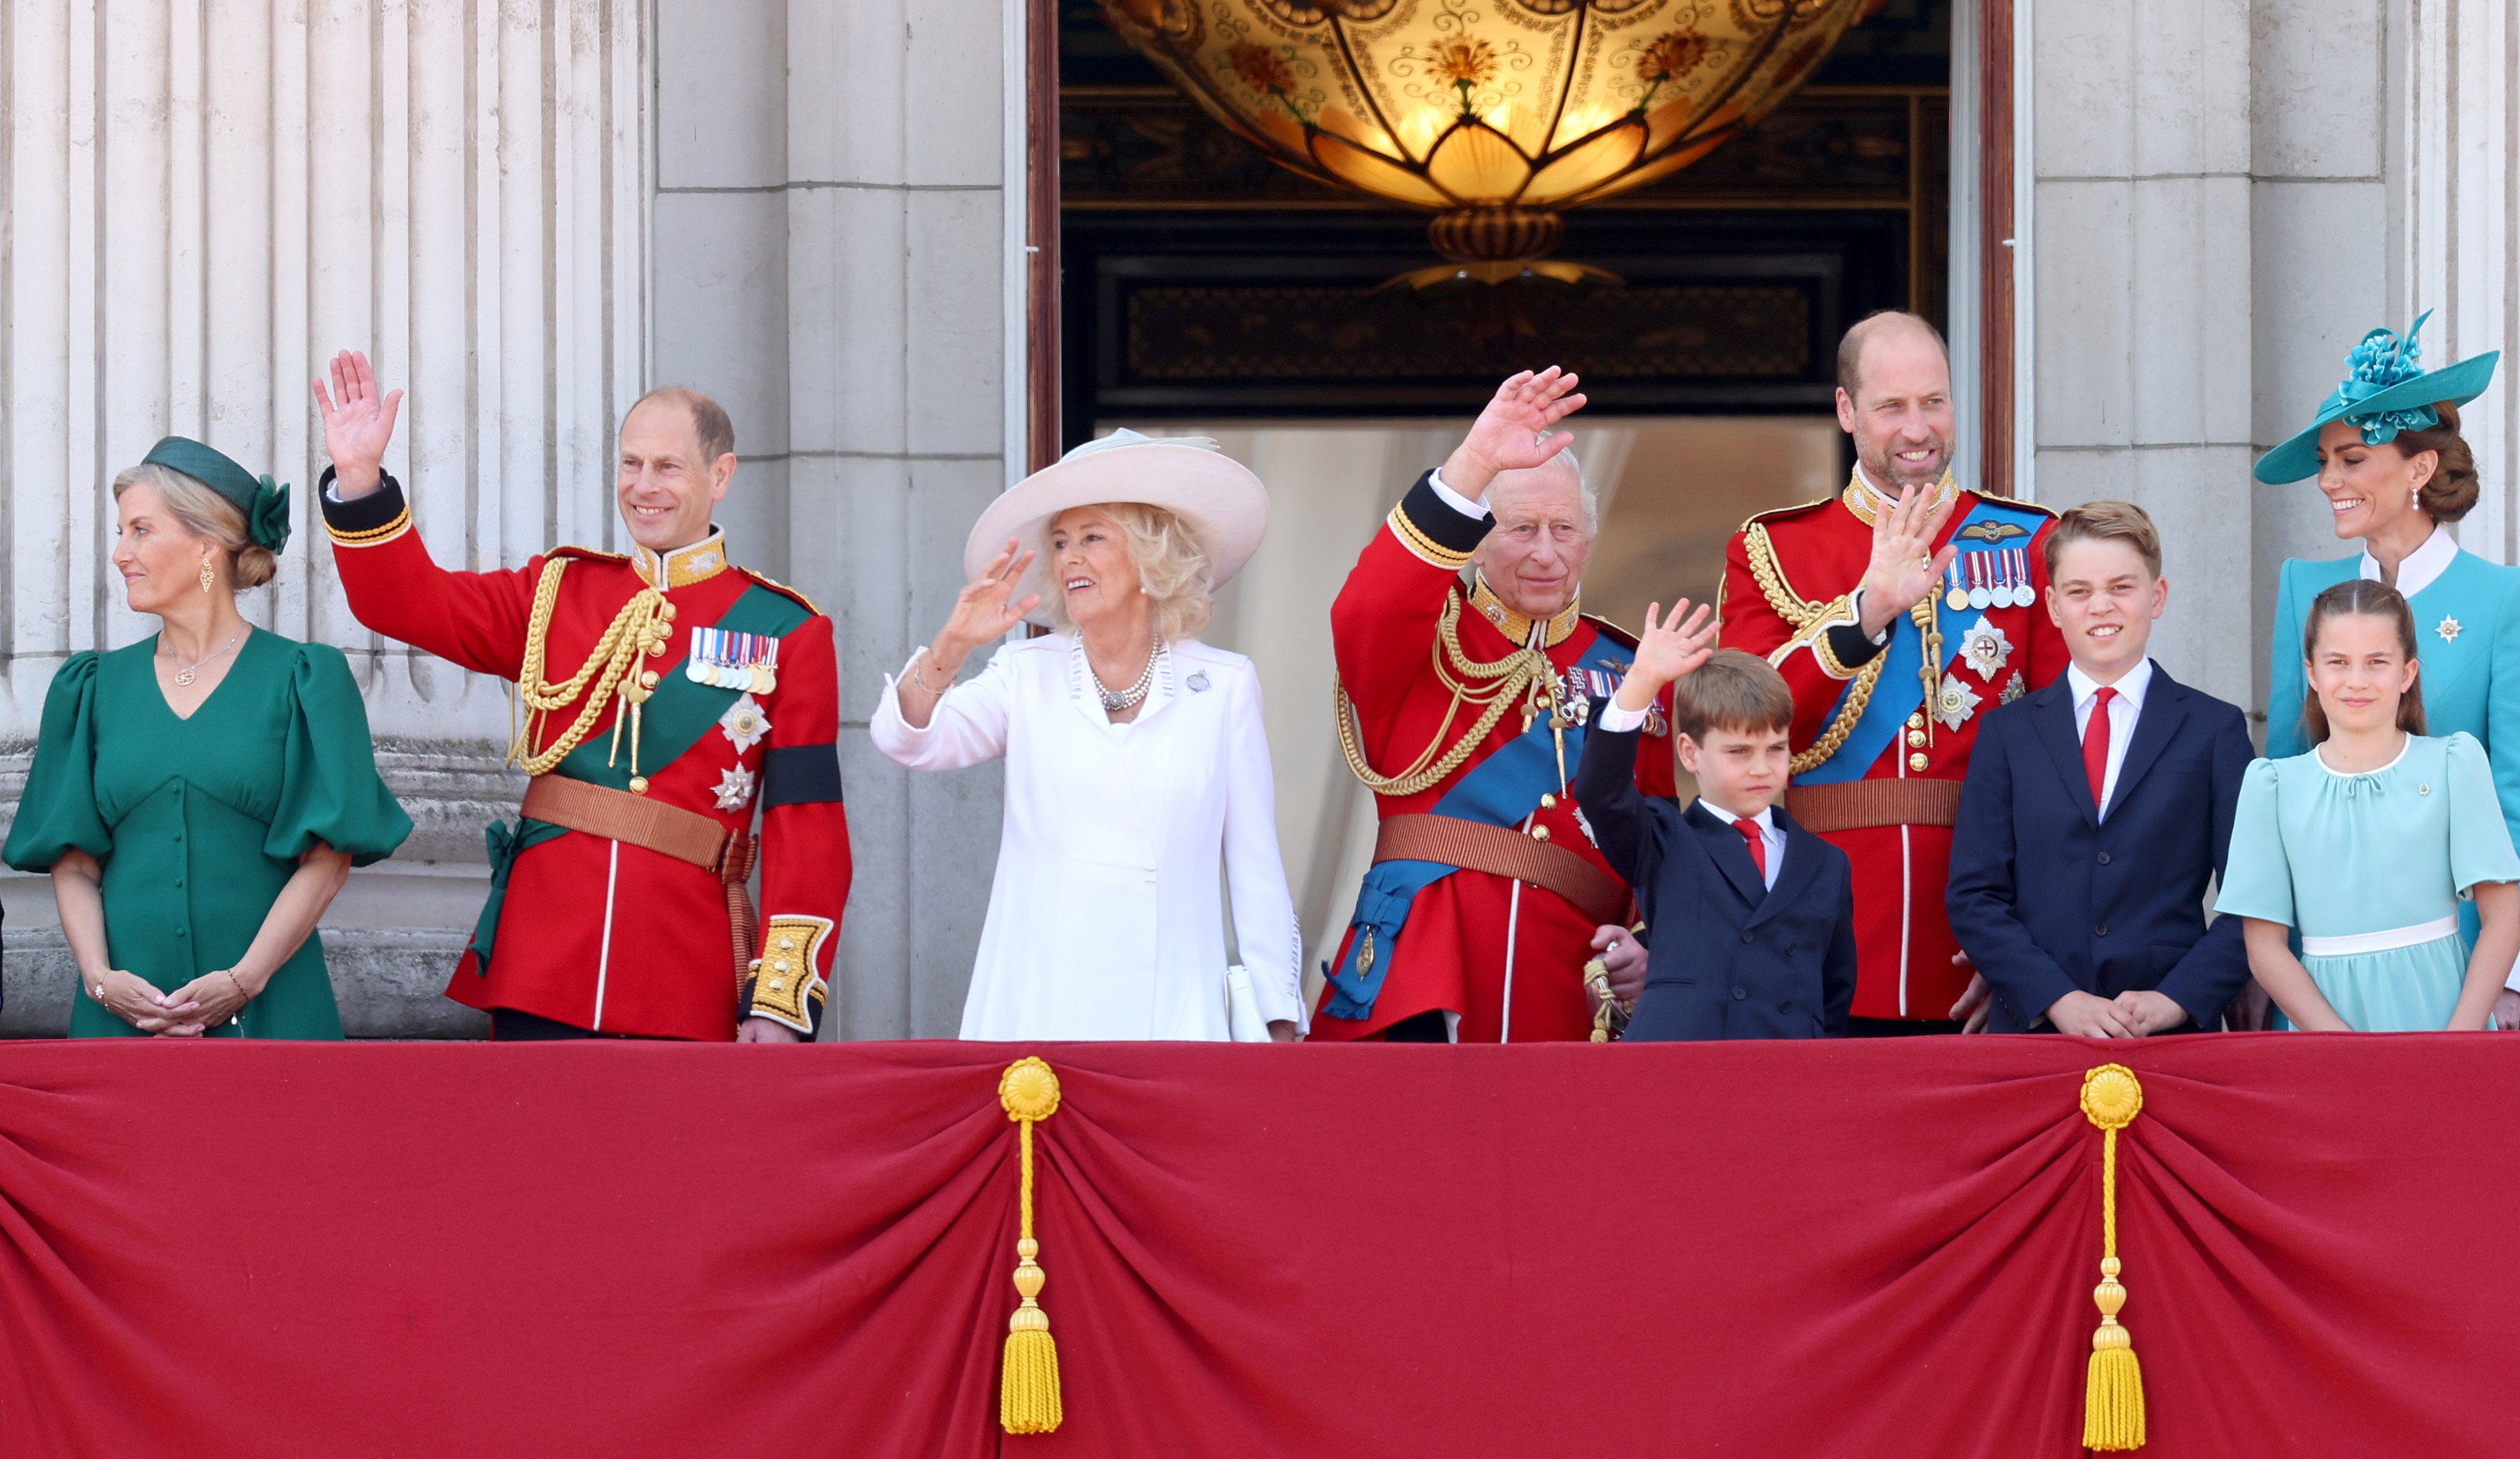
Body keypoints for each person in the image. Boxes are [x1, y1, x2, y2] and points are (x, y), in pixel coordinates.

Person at [309, 353, 851, 1042]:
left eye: (667, 467)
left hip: (685, 974)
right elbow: (406, 603)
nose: (642, 486)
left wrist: (778, 1002)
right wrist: (360, 480)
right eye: (630, 465)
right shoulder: (555, 594)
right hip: (544, 960)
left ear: (720, 476)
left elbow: (809, 830)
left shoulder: (786, 631)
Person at [868, 431, 1304, 1042]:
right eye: (1061, 542)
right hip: (1040, 1003)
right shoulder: (1026, 674)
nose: (1070, 556)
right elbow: (910, 741)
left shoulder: (1223, 685)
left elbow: (1255, 866)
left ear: (1151, 556)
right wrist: (952, 647)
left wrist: (1277, 1012)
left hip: (1173, 1014)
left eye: (1093, 537)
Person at [1716, 310, 2065, 1034]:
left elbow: (2064, 753)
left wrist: (2025, 939)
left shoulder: (2032, 542)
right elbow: (1743, 725)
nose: (1917, 428)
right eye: (1891, 407)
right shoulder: (1775, 549)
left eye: (1933, 402)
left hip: (1977, 932)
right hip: (1820, 929)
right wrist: (1867, 613)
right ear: (1846, 411)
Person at [1311, 368, 1679, 1044]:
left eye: (1563, 529)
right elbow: (1367, 606)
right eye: (1520, 529)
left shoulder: (1632, 673)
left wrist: (1644, 945)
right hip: (1422, 979)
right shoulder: (1423, 638)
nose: (1545, 554)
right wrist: (1473, 466)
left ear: (1588, 541)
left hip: (1565, 991)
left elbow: (1651, 844)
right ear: (1475, 540)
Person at [5, 439, 413, 1038]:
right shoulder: (90, 687)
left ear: (206, 542)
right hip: (121, 1018)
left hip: (268, 1009)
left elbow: (327, 859)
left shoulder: (305, 680)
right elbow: (74, 862)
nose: (121, 553)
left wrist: (245, 980)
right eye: (122, 532)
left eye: (141, 530)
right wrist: (100, 980)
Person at [2254, 313, 2520, 1030]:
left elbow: (2518, 800)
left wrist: (2503, 974)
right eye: (2325, 461)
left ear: (2417, 468)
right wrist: (2274, 969)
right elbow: (2285, 776)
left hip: (2452, 972)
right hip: (2320, 978)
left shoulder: (2506, 599)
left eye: (2350, 459)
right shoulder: (2302, 588)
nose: (2327, 480)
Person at [1944, 502, 2255, 1037]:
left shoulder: (2215, 730)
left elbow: (2252, 900)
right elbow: (1974, 897)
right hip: (2034, 1030)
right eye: (2079, 591)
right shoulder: (2007, 735)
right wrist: (2057, 999)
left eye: (2121, 587)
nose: (2100, 607)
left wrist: (2176, 1000)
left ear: (2156, 597)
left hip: (2165, 1032)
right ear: (2053, 605)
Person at [2217, 580, 2520, 1031]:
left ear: (2406, 673)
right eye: (2337, 663)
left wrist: (2458, 1041)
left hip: (2443, 1015)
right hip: (2324, 1028)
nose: (2356, 681)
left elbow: (2503, 920)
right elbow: (2263, 947)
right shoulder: (2273, 788)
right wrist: (2342, 1047)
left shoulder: (2452, 764)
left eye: (2376, 663)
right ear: (2311, 673)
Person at [1576, 605, 1855, 1040]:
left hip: (1788, 1078)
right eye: (1739, 752)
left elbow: (1834, 994)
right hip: (1679, 1071)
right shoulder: (1663, 840)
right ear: (1689, 754)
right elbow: (1601, 792)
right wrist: (1641, 683)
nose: (1761, 768)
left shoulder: (1826, 862)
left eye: (1775, 749)